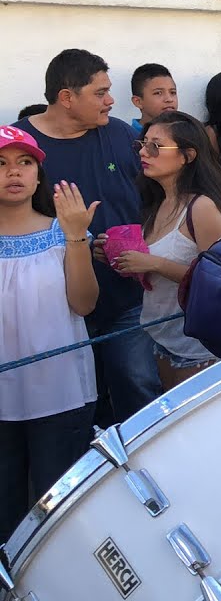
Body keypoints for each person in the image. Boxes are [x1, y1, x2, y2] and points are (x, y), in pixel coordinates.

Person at [16, 49, 161, 426]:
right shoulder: (21, 148)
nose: (110, 100)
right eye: (100, 93)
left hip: (126, 298)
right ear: (67, 97)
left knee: (140, 392)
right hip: (56, 309)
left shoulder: (119, 134)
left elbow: (154, 193)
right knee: (73, 408)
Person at [0, 127, 101, 541]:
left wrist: (75, 236)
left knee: (56, 513)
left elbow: (84, 303)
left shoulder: (62, 232)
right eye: (1, 163)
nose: (14, 172)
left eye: (25, 162)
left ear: (38, 175)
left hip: (60, 395)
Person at [112, 112, 221, 390]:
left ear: (187, 156)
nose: (143, 152)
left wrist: (153, 263)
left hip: (200, 347)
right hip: (163, 339)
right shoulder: (156, 203)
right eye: (142, 144)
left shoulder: (202, 208)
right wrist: (122, 256)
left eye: (156, 146)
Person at [128, 63, 178, 133]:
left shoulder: (186, 135)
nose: (169, 99)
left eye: (172, 92)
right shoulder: (129, 136)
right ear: (138, 102)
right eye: (158, 93)